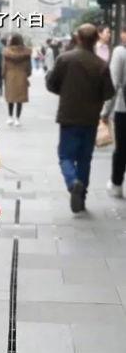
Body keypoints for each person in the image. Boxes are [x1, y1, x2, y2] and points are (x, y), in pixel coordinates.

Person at [46, 23, 114, 213]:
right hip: (90, 119)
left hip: (68, 116)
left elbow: (52, 84)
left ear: (78, 38)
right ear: (96, 39)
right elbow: (109, 92)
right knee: (85, 159)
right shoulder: (101, 65)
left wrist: (66, 91)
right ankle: (81, 197)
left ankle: (72, 181)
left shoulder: (65, 59)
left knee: (65, 156)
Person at [107, 26, 126, 197]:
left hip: (123, 109)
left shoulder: (120, 52)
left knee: (121, 148)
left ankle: (117, 184)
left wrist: (105, 111)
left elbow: (113, 84)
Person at [2, 34, 31, 126]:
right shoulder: (26, 53)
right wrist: (27, 74)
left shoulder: (6, 52)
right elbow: (29, 68)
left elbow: (4, 66)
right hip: (22, 75)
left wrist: (3, 75)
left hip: (10, 76)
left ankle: (10, 117)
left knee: (10, 98)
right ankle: (17, 119)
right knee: (19, 99)